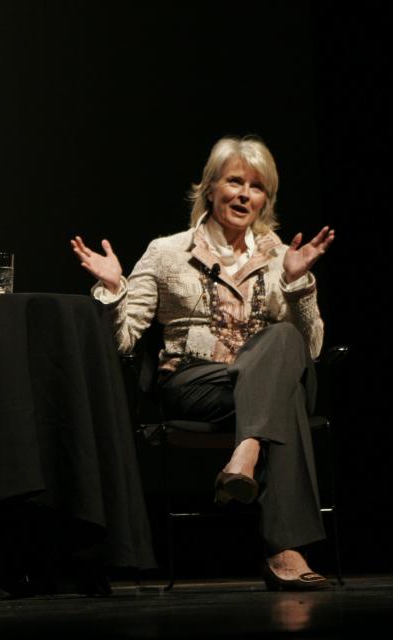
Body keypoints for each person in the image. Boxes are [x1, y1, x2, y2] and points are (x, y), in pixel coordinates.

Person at [70, 136, 335, 590]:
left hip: (265, 381)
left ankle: (245, 452)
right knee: (283, 401)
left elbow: (309, 349)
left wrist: (297, 284)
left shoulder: (281, 257)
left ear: (265, 200)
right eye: (234, 181)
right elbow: (124, 341)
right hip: (198, 384)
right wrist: (115, 292)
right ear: (210, 188)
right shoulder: (166, 252)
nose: (243, 194)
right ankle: (286, 551)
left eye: (256, 187)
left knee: (285, 339)